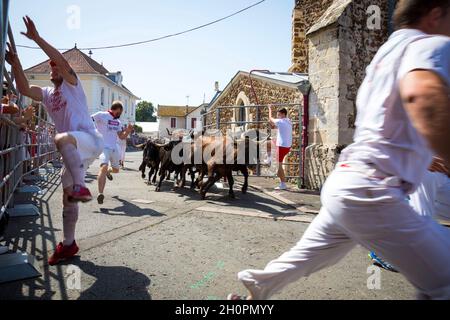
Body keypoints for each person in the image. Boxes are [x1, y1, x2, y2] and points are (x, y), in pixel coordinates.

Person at [229, 0, 450, 300]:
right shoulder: (429, 45)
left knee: (308, 257)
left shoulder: (385, 53)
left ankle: (257, 288)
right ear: (436, 14)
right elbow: (422, 96)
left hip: (345, 182)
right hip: (373, 191)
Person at [5, 16, 104, 266]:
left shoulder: (73, 84)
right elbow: (25, 88)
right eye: (51, 68)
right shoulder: (48, 94)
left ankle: (80, 185)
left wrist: (36, 38)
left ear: (65, 69)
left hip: (88, 140)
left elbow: (60, 59)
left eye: (56, 66)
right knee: (67, 196)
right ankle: (68, 244)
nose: (53, 69)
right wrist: (16, 63)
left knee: (62, 138)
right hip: (73, 152)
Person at [92, 102, 133, 204]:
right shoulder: (101, 115)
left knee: (116, 170)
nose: (120, 114)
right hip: (103, 147)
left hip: (114, 148)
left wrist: (127, 131)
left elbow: (121, 136)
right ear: (116, 109)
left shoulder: (118, 122)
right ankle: (100, 193)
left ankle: (109, 171)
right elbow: (88, 120)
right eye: (120, 112)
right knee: (103, 167)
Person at [268, 105, 292, 190]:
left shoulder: (280, 121)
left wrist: (270, 108)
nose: (278, 116)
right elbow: (277, 128)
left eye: (278, 114)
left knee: (278, 165)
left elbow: (270, 118)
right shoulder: (288, 121)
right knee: (268, 144)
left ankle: (283, 184)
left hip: (281, 146)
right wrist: (273, 126)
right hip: (287, 146)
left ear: (283, 114)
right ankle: (270, 158)